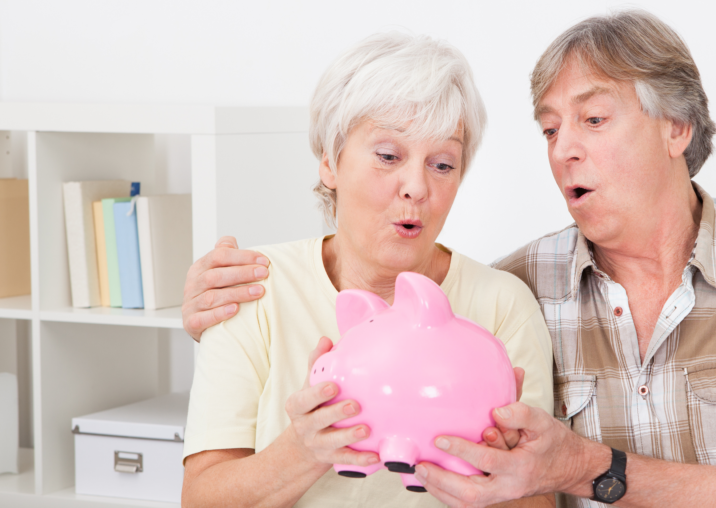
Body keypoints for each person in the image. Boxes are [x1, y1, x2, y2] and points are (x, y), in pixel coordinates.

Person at [183, 10, 716, 508]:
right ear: (329, 159)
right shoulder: (523, 285)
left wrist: (585, 469)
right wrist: (197, 317)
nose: (563, 148)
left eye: (592, 118)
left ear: (677, 127)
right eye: (550, 128)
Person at [180, 33, 555, 508]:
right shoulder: (252, 286)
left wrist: (497, 475)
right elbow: (201, 498)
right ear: (329, 162)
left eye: (442, 164)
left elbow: (539, 502)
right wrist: (303, 450)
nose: (417, 187)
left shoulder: (502, 304)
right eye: (388, 156)